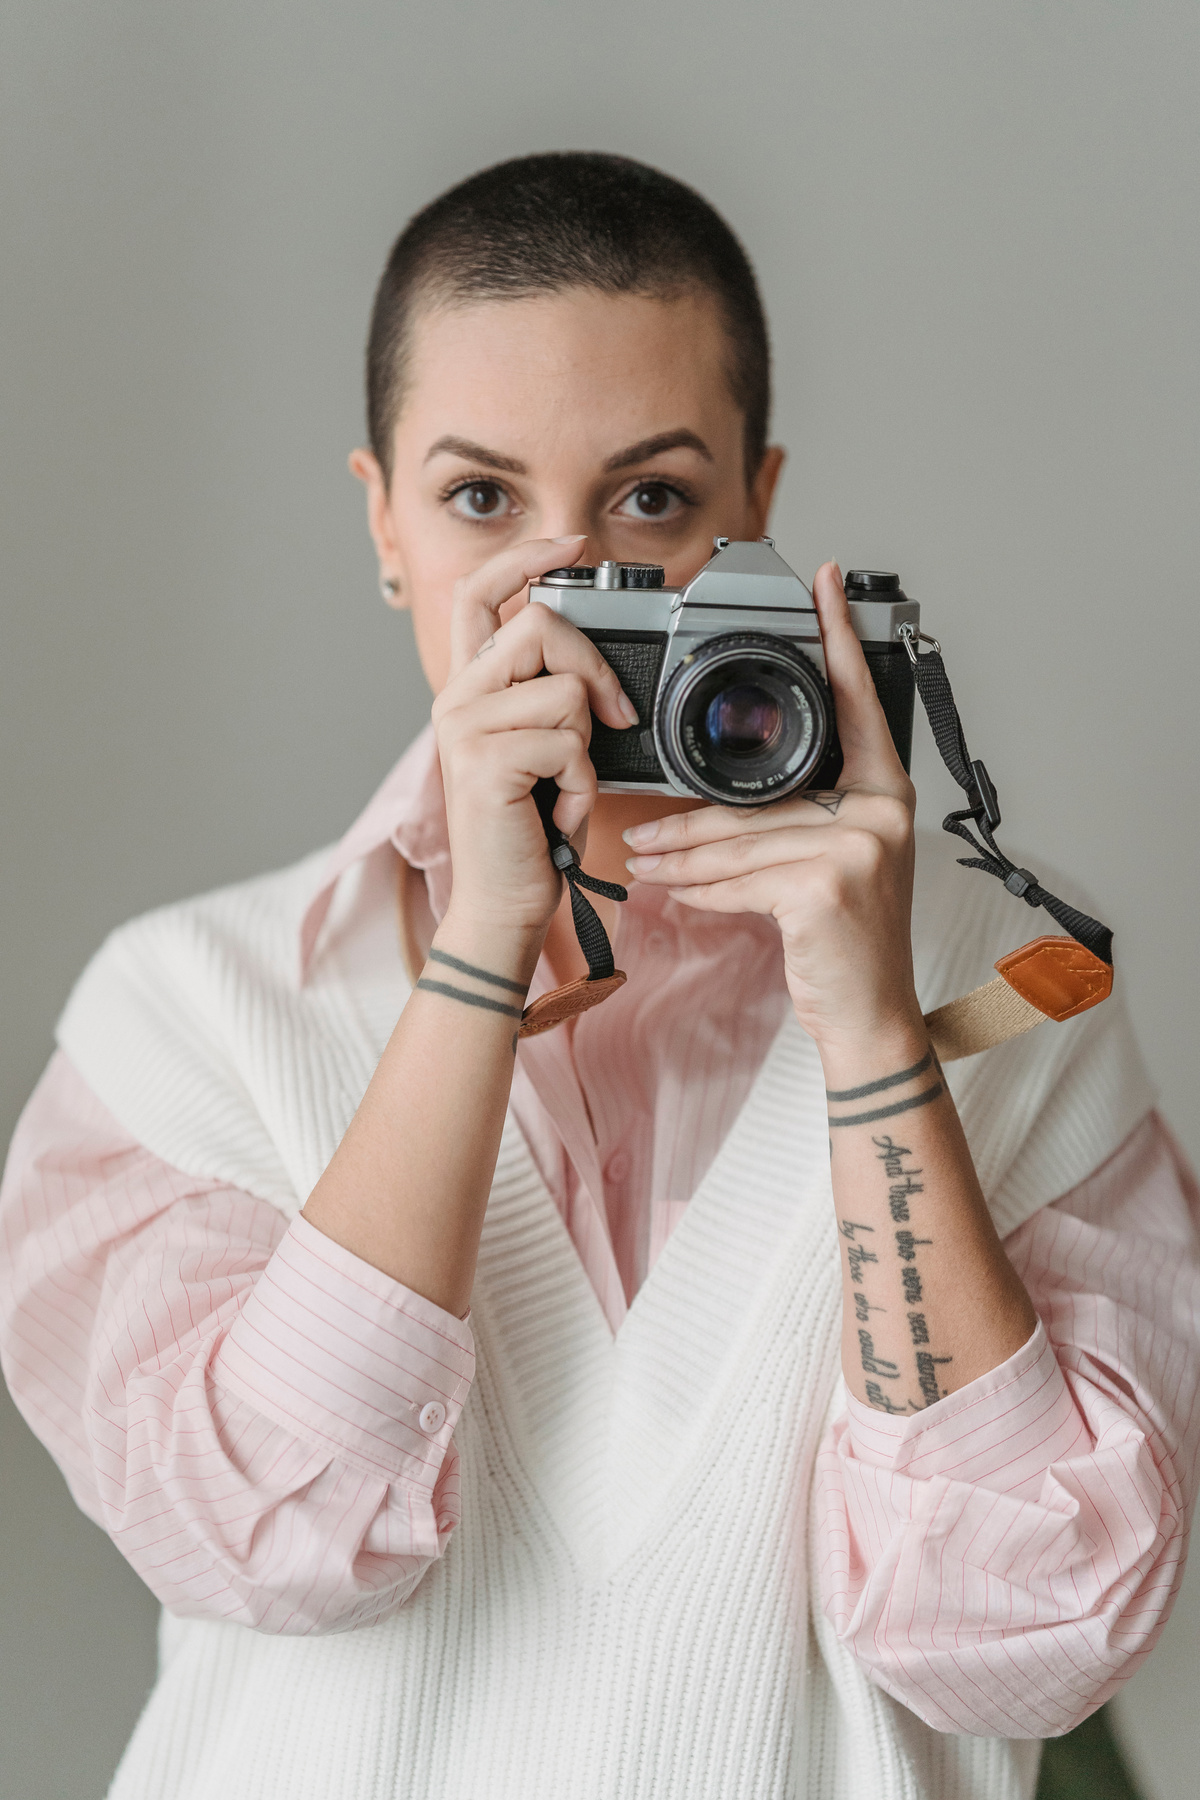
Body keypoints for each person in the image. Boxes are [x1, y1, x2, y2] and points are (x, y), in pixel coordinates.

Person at [1, 152, 1195, 1800]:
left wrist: (873, 1031)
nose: (569, 591)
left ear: (758, 511)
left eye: (651, 501)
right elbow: (266, 1532)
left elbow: (1026, 1637)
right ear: (384, 525)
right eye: (482, 499)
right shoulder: (186, 1011)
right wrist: (478, 956)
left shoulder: (1017, 992)